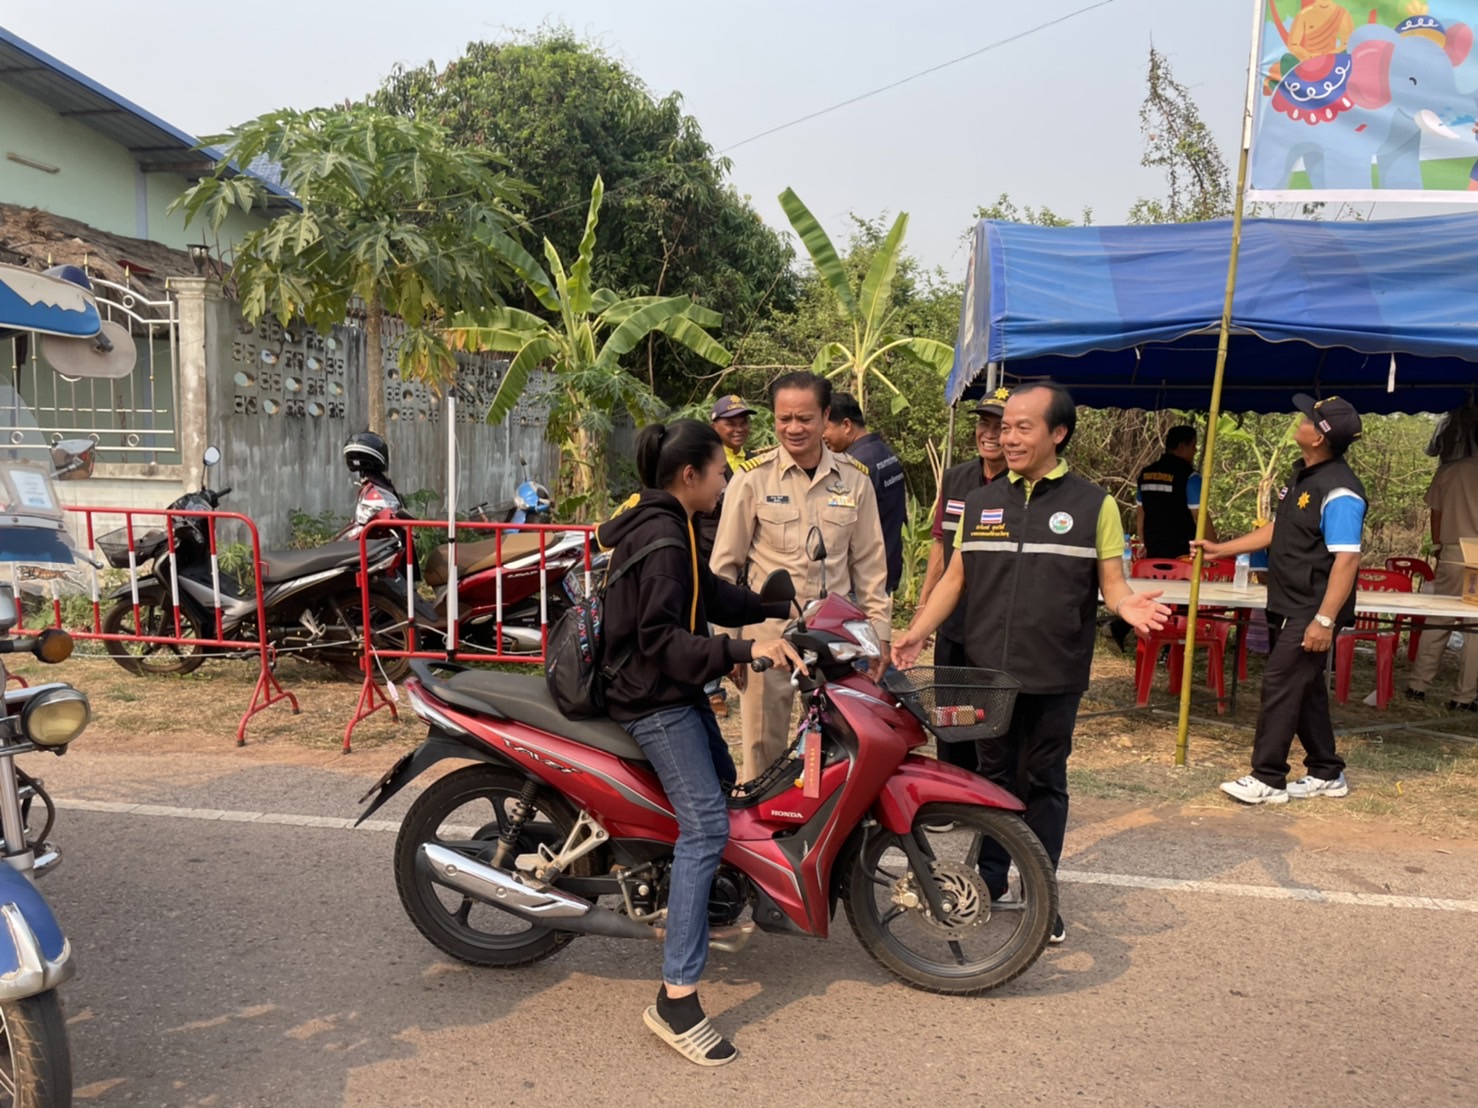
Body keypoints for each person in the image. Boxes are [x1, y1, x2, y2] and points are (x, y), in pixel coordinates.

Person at [893, 383, 1171, 944]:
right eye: (1004, 427)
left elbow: (1112, 583)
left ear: (1058, 433)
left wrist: (1127, 605)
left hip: (1055, 670)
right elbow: (956, 578)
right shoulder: (980, 503)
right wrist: (917, 632)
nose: (1008, 437)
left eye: (1023, 427)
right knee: (992, 779)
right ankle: (993, 880)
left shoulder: (1094, 505)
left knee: (1044, 781)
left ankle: (1041, 895)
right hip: (988, 671)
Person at [596, 419, 804, 1066]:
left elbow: (706, 594)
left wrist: (768, 608)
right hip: (652, 698)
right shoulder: (663, 536)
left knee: (723, 786)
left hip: (668, 687)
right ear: (690, 475)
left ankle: (691, 899)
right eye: (720, 472)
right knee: (708, 824)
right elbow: (662, 641)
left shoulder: (675, 522)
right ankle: (676, 999)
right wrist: (741, 651)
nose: (725, 482)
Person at [711, 371, 892, 782]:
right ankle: (761, 822)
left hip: (834, 641)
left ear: (826, 416)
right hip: (768, 637)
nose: (793, 428)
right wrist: (728, 644)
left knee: (834, 750)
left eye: (805, 418)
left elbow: (869, 567)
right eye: (784, 418)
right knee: (763, 750)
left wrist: (880, 633)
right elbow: (725, 567)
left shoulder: (855, 480)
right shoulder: (752, 479)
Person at [1197, 394, 1367, 805]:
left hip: (1313, 607)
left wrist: (1324, 620)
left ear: (1319, 437)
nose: (1300, 420)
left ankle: (1268, 777)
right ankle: (1326, 771)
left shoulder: (1341, 491)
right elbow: (1279, 528)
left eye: (1308, 418)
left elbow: (1347, 559)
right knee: (1303, 687)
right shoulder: (1304, 475)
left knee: (1279, 682)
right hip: (1287, 601)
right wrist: (1222, 549)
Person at [909, 386, 1011, 772]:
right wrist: (924, 607)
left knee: (989, 719)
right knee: (951, 715)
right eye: (984, 424)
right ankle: (954, 784)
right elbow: (940, 545)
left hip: (996, 627)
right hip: (953, 621)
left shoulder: (1020, 486)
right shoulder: (957, 478)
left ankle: (987, 790)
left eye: (1000, 426)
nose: (989, 434)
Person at [1108, 424, 1217, 652]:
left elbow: (1141, 512)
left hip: (1154, 549)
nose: (1195, 451)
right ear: (1183, 446)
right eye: (1194, 446)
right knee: (1183, 599)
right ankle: (1170, 648)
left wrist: (1144, 542)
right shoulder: (1190, 477)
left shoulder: (1146, 473)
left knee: (1154, 594)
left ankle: (1123, 628)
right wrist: (1214, 547)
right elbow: (1199, 516)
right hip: (1183, 552)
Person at [1405, 431, 1478, 712]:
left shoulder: (1450, 471)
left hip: (1454, 550)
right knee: (1474, 627)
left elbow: (1436, 514)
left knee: (1438, 618)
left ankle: (1418, 684)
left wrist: (1437, 547)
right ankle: (1464, 696)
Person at [695, 394, 757, 718]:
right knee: (710, 625)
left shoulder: (753, 463)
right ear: (714, 425)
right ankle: (711, 690)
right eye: (730, 423)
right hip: (708, 555)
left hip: (745, 558)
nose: (739, 428)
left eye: (743, 421)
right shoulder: (703, 463)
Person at [823, 393, 906, 593]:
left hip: (862, 581)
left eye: (824, 428)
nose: (821, 436)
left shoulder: (856, 466)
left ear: (846, 425)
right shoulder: (884, 453)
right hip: (886, 567)